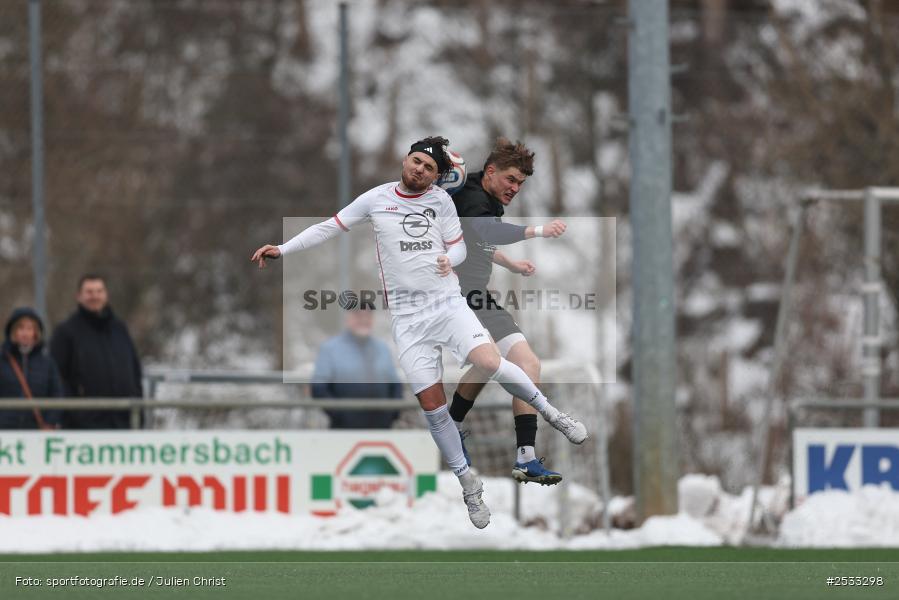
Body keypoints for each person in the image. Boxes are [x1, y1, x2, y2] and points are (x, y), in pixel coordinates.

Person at [251, 136, 587, 529]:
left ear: (436, 176)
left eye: (429, 168)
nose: (419, 170)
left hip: (447, 304)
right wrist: (283, 249)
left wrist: (449, 259)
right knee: (432, 408)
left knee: (489, 360)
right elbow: (330, 226)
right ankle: (468, 483)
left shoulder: (442, 201)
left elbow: (460, 247)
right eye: (416, 162)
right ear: (405, 161)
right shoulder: (376, 199)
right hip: (408, 321)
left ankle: (552, 414)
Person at [449, 138, 568, 486]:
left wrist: (510, 264)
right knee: (490, 360)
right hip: (451, 298)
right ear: (490, 172)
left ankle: (526, 457)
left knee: (527, 364)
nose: (515, 188)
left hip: (478, 296)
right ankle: (450, 427)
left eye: (521, 183)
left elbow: (478, 240)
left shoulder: (488, 199)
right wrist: (538, 231)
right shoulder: (470, 195)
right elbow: (487, 230)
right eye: (511, 179)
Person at [50, 274, 143, 429]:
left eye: (99, 291)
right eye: (89, 292)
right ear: (79, 296)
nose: (95, 296)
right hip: (84, 428)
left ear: (106, 295)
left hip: (124, 423)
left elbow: (135, 372)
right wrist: (75, 414)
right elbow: (57, 378)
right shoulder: (66, 332)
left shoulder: (120, 329)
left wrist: (138, 411)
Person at [311, 308, 404, 429]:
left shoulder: (382, 348)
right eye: (358, 315)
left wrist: (393, 413)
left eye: (368, 316)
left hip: (382, 428)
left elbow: (395, 385)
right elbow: (319, 388)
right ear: (347, 318)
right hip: (344, 430)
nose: (364, 320)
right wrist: (339, 415)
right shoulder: (330, 349)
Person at [0, 307, 64, 429]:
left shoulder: (47, 362)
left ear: (36, 333)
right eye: (21, 328)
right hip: (5, 430)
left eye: (30, 328)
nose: (25, 333)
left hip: (36, 430)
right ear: (13, 331)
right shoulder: (2, 360)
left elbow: (57, 394)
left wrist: (50, 422)